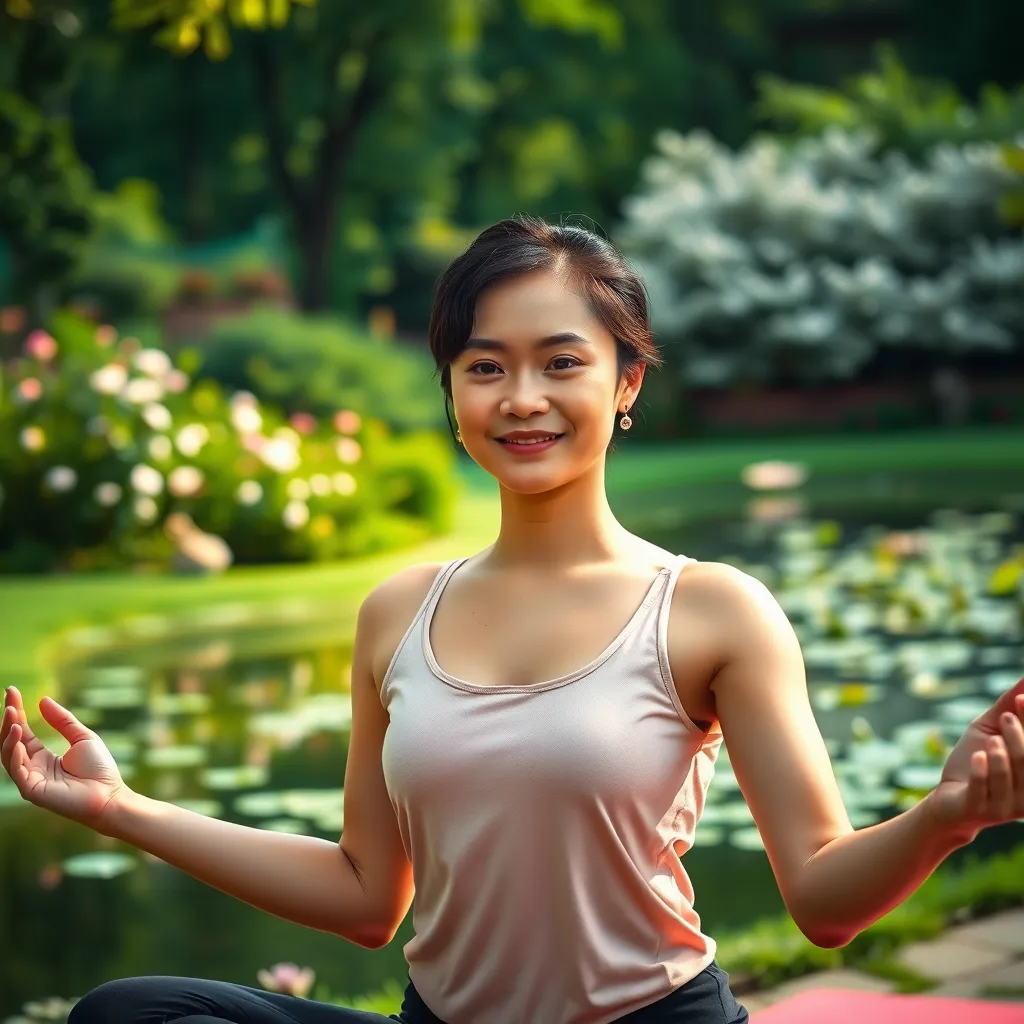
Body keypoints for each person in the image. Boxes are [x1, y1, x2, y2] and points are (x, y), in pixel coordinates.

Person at [3, 216, 1023, 1024]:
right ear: (452, 393)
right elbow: (366, 896)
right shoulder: (396, 613)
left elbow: (823, 898)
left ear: (626, 382)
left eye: (561, 362)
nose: (521, 397)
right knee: (131, 1012)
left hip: (646, 1022)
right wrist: (119, 808)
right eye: (485, 366)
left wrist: (946, 817)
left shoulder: (711, 609)